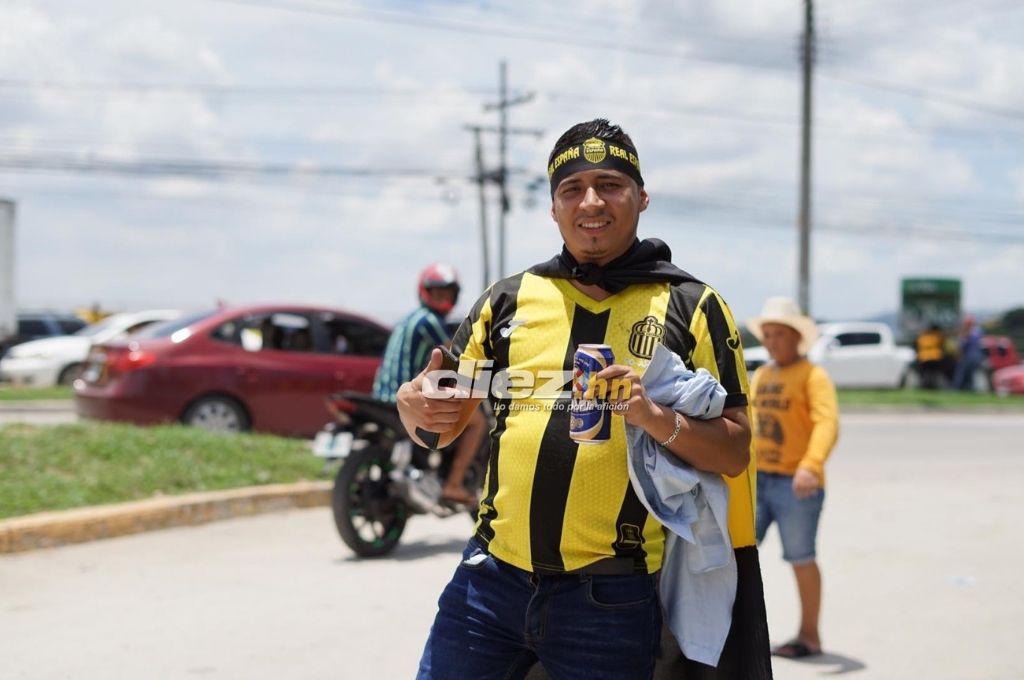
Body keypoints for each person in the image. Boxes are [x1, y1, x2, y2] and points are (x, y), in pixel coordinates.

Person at [398, 119, 772, 679]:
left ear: (641, 196)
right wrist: (414, 406)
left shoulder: (691, 305)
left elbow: (734, 452)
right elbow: (441, 422)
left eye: (610, 184)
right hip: (488, 583)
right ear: (553, 208)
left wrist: (651, 415)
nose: (590, 201)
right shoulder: (506, 301)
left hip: (610, 598)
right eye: (572, 189)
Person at [746, 297, 839, 660]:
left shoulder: (813, 375)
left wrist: (811, 465)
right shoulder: (764, 375)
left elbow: (827, 423)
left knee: (801, 556)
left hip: (796, 483)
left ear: (796, 337)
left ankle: (809, 635)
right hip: (757, 480)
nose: (771, 341)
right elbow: (750, 426)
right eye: (767, 334)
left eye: (778, 334)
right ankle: (735, 634)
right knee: (737, 554)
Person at [372, 263, 486, 505]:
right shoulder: (430, 321)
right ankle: (453, 485)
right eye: (437, 293)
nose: (443, 298)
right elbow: (455, 357)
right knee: (477, 423)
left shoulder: (407, 319)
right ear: (425, 292)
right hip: (407, 400)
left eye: (447, 293)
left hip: (380, 396)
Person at [952, 315, 983, 391]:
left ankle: (957, 389)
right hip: (975, 356)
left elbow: (962, 346)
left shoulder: (971, 332)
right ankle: (968, 388)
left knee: (961, 373)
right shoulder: (977, 331)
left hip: (969, 356)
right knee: (969, 374)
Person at [915, 323, 946, 390]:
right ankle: (933, 386)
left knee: (925, 374)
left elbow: (917, 346)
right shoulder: (937, 336)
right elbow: (942, 345)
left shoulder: (922, 337)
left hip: (923, 358)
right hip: (935, 358)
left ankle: (924, 385)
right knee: (934, 374)